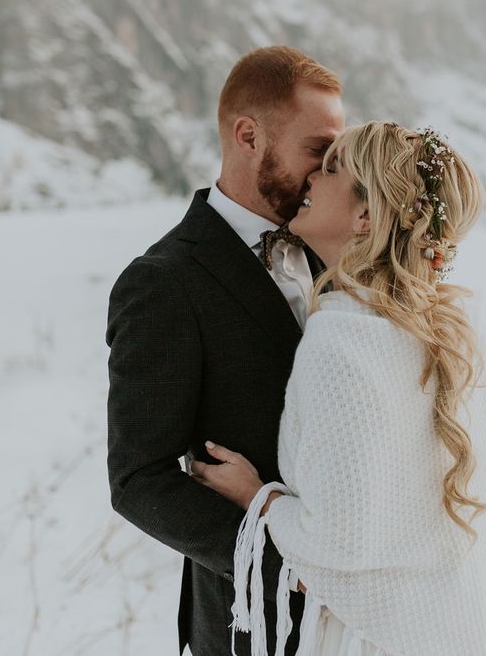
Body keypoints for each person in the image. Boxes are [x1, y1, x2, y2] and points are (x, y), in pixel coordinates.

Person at [190, 122, 486, 655]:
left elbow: (340, 540)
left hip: (373, 639)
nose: (311, 177)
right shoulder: (446, 331)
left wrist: (255, 496)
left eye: (331, 170)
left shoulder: (341, 339)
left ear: (366, 216)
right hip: (455, 629)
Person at [105, 45, 344, 656]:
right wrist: (283, 565)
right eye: (318, 151)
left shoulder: (336, 249)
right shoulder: (163, 281)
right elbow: (138, 478)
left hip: (360, 607)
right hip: (252, 619)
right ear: (248, 136)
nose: (327, 173)